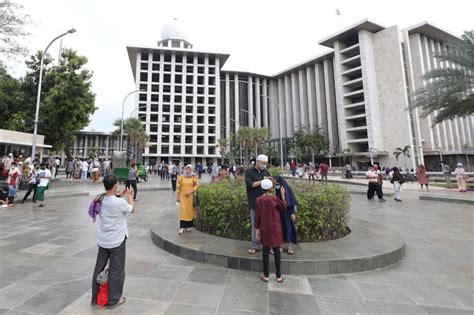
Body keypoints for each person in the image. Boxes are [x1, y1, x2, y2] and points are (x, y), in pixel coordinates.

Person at [90, 175, 135, 309]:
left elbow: (111, 202)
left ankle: (94, 297)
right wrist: (130, 196)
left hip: (103, 240)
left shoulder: (99, 199)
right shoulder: (119, 203)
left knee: (99, 268)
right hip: (117, 241)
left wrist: (120, 195)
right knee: (117, 270)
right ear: (115, 186)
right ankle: (113, 299)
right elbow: (131, 209)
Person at [255, 178, 287, 283]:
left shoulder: (259, 200)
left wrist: (257, 229)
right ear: (271, 188)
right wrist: (282, 195)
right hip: (276, 228)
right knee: (277, 249)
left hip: (265, 228)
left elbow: (257, 216)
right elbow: (283, 208)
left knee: (265, 249)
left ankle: (266, 275)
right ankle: (278, 276)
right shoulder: (275, 199)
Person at [245, 154, 271, 255]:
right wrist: (263, 181)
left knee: (266, 225)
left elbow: (269, 185)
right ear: (258, 162)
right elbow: (250, 184)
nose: (265, 165)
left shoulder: (266, 171)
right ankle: (255, 246)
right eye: (263, 163)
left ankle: (267, 245)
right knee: (255, 226)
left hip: (266, 203)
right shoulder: (249, 171)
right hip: (254, 203)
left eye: (266, 164)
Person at [275, 176, 297, 254]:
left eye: (278, 183)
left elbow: (293, 202)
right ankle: (281, 245)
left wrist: (293, 213)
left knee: (289, 229)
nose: (277, 185)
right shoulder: (275, 191)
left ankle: (289, 247)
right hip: (279, 214)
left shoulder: (288, 190)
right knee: (280, 229)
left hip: (287, 214)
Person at [176, 164, 199, 235]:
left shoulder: (194, 177)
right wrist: (178, 196)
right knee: (183, 211)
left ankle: (188, 226)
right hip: (183, 197)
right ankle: (182, 228)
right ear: (185, 169)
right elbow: (178, 187)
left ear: (191, 170)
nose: (188, 170)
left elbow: (197, 185)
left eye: (189, 169)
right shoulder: (181, 177)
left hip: (190, 196)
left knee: (190, 211)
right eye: (187, 169)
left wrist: (191, 191)